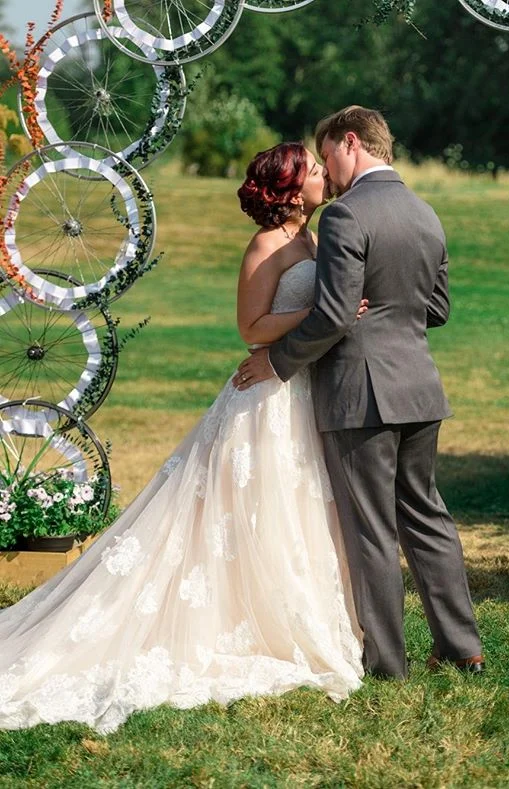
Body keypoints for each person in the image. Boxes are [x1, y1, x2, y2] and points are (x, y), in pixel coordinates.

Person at [0, 142, 366, 734]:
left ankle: (292, 612)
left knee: (290, 505)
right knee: (248, 508)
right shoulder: (268, 246)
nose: (326, 176)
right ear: (293, 189)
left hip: (300, 388)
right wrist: (325, 313)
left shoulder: (311, 239)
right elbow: (250, 326)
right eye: (316, 170)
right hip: (266, 394)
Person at [234, 106, 483, 678]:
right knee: (427, 516)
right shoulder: (426, 214)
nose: (328, 170)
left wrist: (276, 363)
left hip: (359, 394)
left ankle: (387, 664)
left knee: (371, 529)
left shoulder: (347, 215)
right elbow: (437, 309)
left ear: (352, 143)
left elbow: (332, 316)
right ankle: (462, 646)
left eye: (327, 157)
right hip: (420, 388)